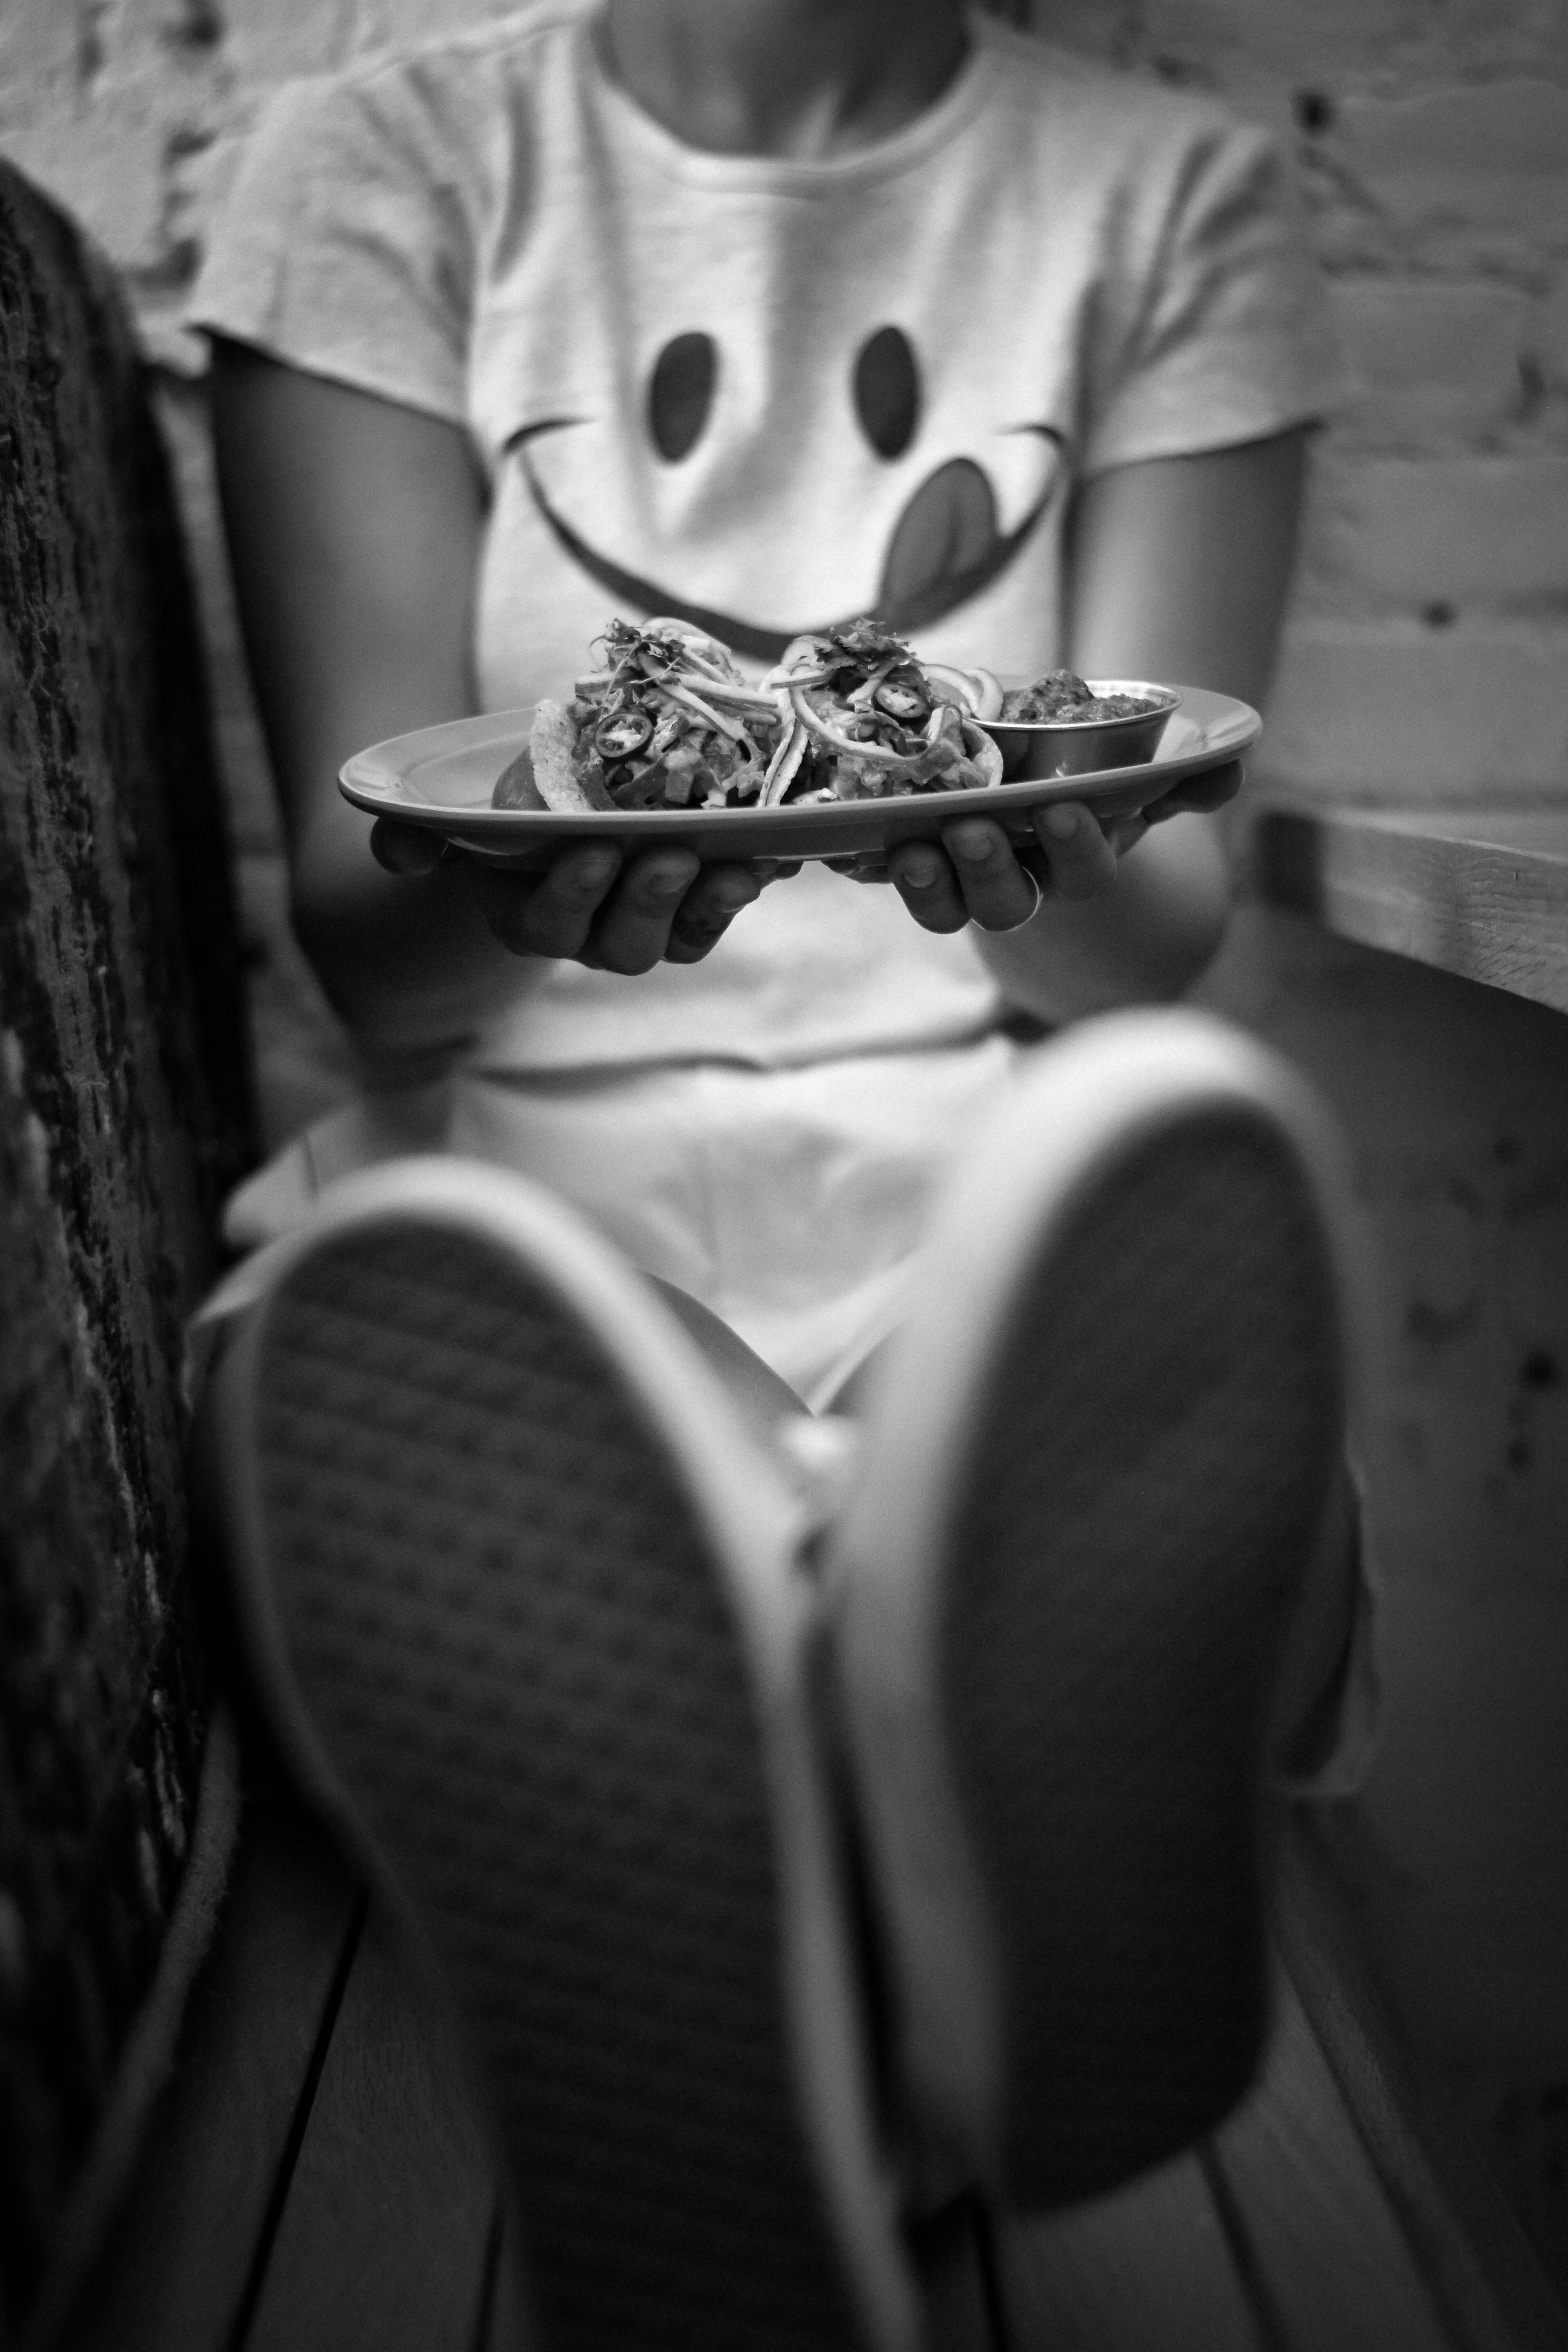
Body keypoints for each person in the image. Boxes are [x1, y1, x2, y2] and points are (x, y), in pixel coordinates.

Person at [185, 6, 1373, 2345]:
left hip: (1005, 1220)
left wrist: (1045, 848)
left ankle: (794, 1883)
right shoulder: (380, 171)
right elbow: (383, 965)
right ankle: (937, 1915)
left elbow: (1150, 944)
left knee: (1122, 1292)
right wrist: (512, 865)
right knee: (419, 1360)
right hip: (516, 1247)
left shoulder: (1176, 200)